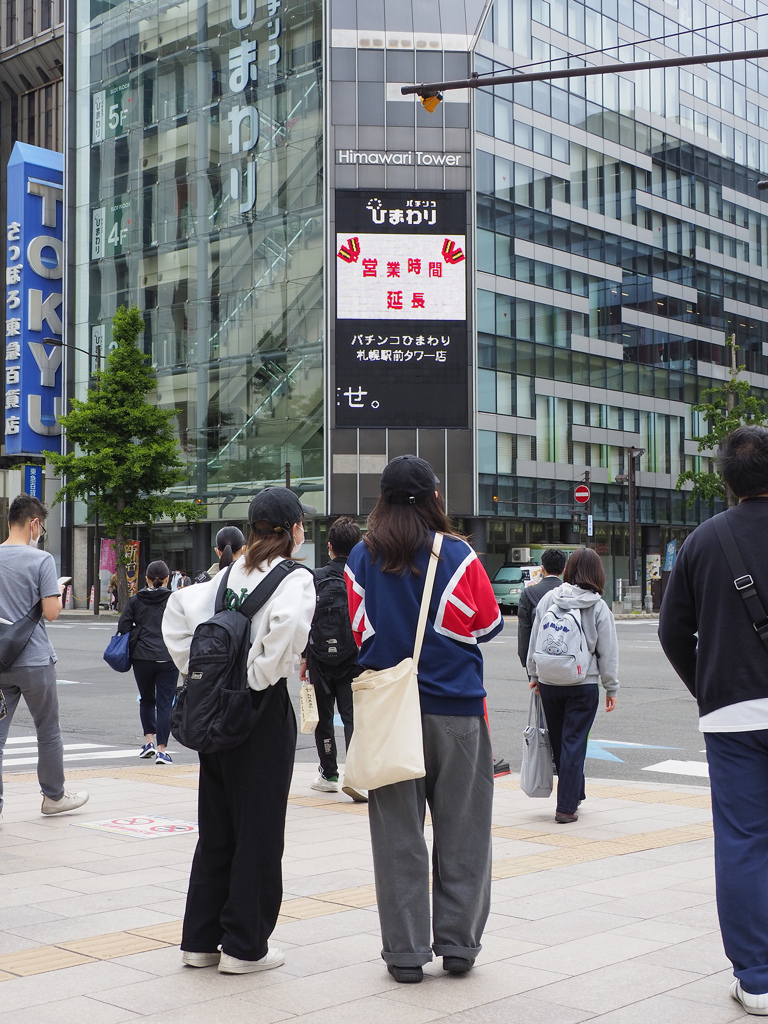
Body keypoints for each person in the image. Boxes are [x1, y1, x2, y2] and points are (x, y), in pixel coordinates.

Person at [345, 455, 503, 984]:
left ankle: (406, 954)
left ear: (383, 500)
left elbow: (360, 634)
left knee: (397, 837)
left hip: (390, 714)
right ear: (435, 498)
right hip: (456, 711)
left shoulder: (360, 560)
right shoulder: (459, 555)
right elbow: (487, 625)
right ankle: (459, 946)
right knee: (465, 831)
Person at [162, 487, 316, 975]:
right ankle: (246, 946)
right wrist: (254, 678)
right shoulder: (295, 578)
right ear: (292, 529)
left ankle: (200, 941)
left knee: (219, 824)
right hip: (260, 709)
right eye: (301, 525)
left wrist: (199, 672)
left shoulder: (227, 573)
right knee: (260, 829)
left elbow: (177, 614)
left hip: (214, 710)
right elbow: (287, 630)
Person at [658, 425, 768, 1017]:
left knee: (745, 841)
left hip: (733, 714)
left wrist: (709, 688)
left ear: (726, 480)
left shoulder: (704, 540)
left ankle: (757, 978)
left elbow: (672, 631)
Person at [0, 494, 89, 821]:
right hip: (34, 662)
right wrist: (58, 593)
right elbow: (51, 612)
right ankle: (53, 796)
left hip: (0, 664)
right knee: (47, 731)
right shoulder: (41, 560)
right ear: (34, 523)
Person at [526, 546, 618, 824]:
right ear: (596, 573)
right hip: (582, 683)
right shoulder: (598, 606)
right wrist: (611, 687)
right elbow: (608, 650)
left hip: (550, 681)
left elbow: (535, 639)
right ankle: (566, 807)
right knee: (574, 743)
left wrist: (534, 675)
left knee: (559, 742)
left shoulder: (549, 600)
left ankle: (575, 793)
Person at [299, 516, 363, 800]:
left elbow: (304, 620)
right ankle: (357, 773)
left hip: (319, 658)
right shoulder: (362, 576)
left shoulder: (315, 577)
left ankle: (329, 773)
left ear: (329, 547)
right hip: (355, 657)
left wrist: (304, 658)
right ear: (359, 545)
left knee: (324, 717)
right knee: (352, 717)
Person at [117, 560, 177, 764]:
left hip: (142, 657)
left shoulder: (136, 599)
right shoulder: (174, 599)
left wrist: (139, 631)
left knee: (146, 699)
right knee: (165, 702)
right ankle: (162, 750)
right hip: (168, 656)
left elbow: (123, 626)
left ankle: (149, 742)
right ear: (168, 578)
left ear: (147, 579)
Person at [517, 548, 567, 669]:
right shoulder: (569, 592)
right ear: (563, 570)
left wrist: (525, 659)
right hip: (565, 658)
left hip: (538, 658)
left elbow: (524, 630)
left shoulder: (528, 593)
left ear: (542, 568)